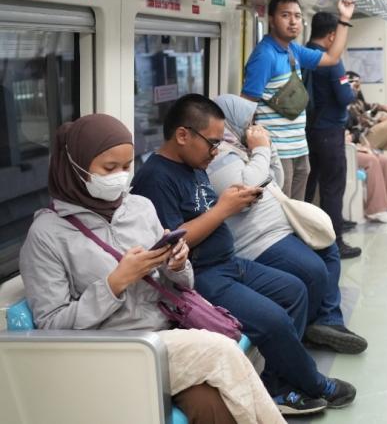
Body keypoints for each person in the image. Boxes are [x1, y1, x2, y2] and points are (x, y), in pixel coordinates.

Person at [19, 113, 285, 424]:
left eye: (126, 167)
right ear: (76, 166)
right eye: (109, 168)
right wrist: (115, 283)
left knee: (214, 404)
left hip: (164, 336)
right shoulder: (46, 236)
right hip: (110, 351)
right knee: (222, 351)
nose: (120, 177)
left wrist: (177, 264)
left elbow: (179, 286)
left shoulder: (139, 208)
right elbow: (50, 328)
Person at [132, 94, 356, 416]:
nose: (216, 152)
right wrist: (223, 209)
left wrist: (224, 201)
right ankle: (314, 384)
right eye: (212, 143)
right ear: (183, 135)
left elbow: (203, 210)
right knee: (275, 320)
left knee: (295, 290)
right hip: (200, 276)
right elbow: (170, 243)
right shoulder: (156, 178)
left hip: (228, 262)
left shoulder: (193, 164)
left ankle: (276, 387)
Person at [207, 95, 368, 352]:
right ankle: (310, 329)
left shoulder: (239, 147)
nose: (253, 127)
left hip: (276, 228)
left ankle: (327, 320)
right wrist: (260, 149)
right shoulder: (218, 156)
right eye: (250, 121)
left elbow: (275, 181)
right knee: (313, 269)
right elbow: (247, 187)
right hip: (256, 239)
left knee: (328, 247)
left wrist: (270, 149)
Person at [241, 0, 355, 200]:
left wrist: (344, 18)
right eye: (285, 15)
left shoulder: (292, 50)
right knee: (281, 210)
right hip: (277, 150)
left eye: (297, 16)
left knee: (297, 211)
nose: (293, 21)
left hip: (299, 147)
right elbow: (245, 106)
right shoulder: (265, 55)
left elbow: (331, 57)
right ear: (272, 20)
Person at [302, 11, 360, 257]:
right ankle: (335, 242)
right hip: (330, 130)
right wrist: (353, 89)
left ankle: (305, 236)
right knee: (332, 188)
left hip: (307, 129)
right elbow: (345, 96)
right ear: (332, 35)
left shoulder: (302, 54)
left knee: (308, 185)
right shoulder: (331, 60)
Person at [347, 130, 387, 222]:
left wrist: (354, 137)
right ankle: (375, 209)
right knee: (372, 161)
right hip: (342, 147)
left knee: (384, 161)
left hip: (353, 145)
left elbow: (356, 130)